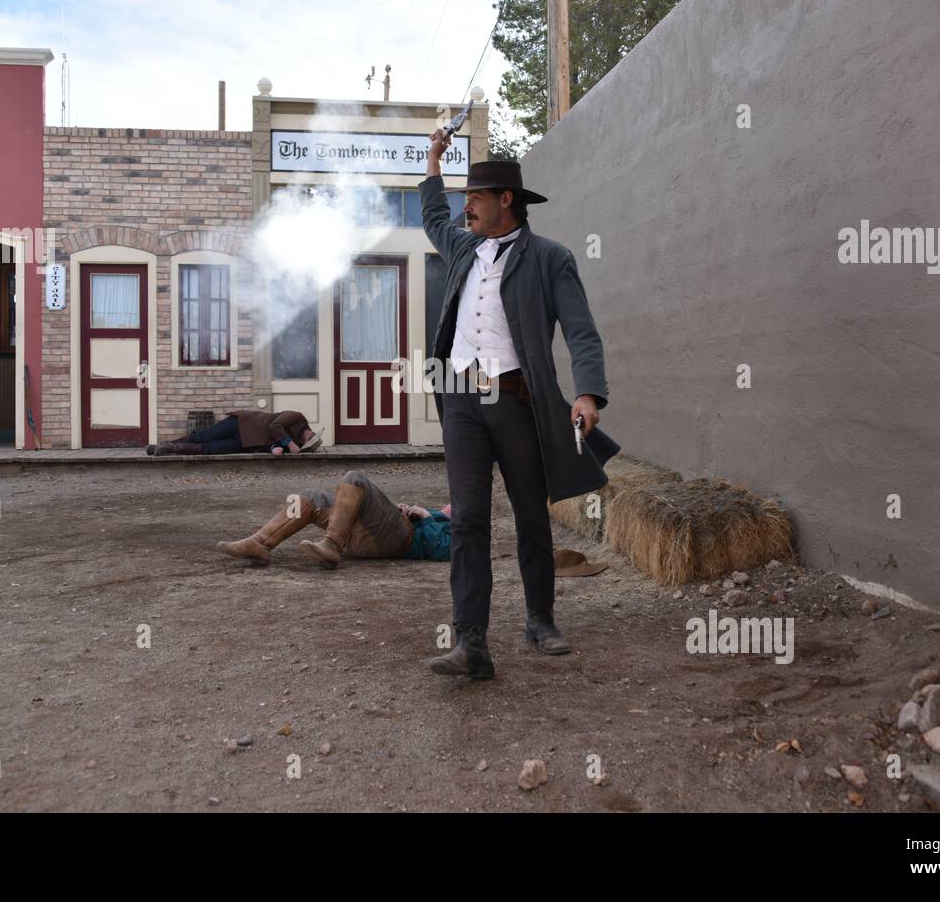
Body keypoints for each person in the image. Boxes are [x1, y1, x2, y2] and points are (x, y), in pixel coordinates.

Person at [418, 129, 621, 681]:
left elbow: (581, 331)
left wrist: (586, 392)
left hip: (515, 402)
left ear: (506, 199)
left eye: (475, 198)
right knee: (467, 522)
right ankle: (472, 642)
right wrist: (433, 160)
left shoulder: (551, 259)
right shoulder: (463, 246)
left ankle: (540, 619)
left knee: (532, 515)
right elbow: (434, 214)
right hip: (461, 400)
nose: (467, 207)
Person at [217, 470, 451, 565]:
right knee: (311, 497)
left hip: (400, 541)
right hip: (374, 535)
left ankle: (331, 545)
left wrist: (427, 518)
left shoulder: (465, 526)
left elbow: (442, 550)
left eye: (451, 505)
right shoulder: (446, 516)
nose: (446, 505)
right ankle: (259, 543)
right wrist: (406, 511)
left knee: (356, 478)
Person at [147, 410, 323, 456]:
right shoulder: (297, 417)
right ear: (310, 431)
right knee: (203, 436)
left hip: (247, 444)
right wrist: (288, 444)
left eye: (306, 443)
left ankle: (171, 448)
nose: (304, 441)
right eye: (309, 438)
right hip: (241, 424)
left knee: (210, 449)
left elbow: (273, 444)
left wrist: (274, 450)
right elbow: (275, 426)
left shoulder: (297, 444)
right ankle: (162, 446)